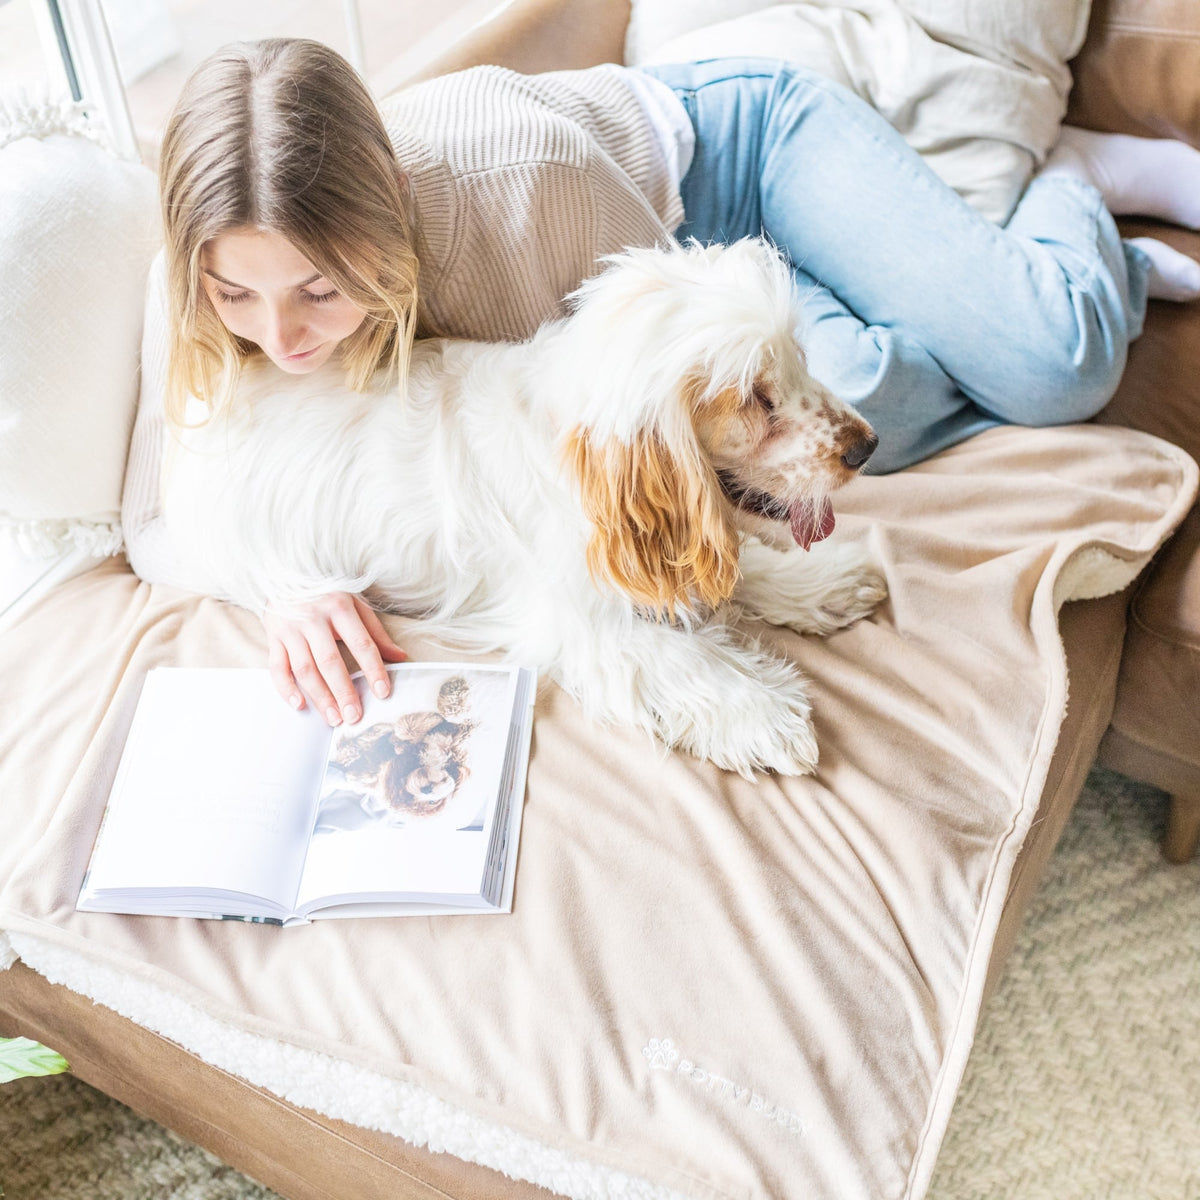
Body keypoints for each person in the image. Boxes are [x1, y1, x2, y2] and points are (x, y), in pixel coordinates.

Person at [122, 38, 1200, 729]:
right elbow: (156, 506)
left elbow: (679, 343)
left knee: (1044, 367)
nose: (283, 340)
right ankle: (961, 272)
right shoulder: (216, 248)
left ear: (390, 202)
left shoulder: (513, 182)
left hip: (730, 169)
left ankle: (1074, 196)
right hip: (717, 314)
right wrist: (283, 588)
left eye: (318, 291)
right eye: (236, 300)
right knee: (839, 392)